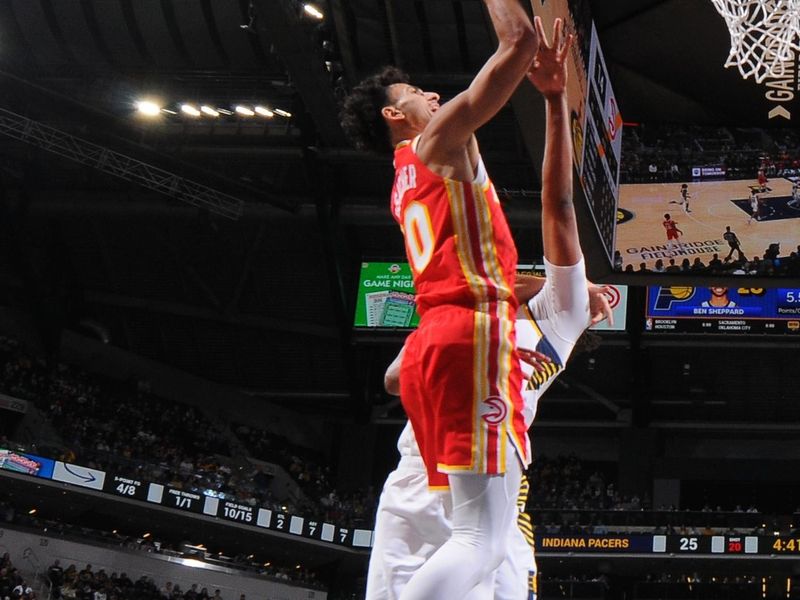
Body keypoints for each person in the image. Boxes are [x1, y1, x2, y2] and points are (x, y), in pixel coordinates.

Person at [364, 19, 612, 600]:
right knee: (483, 545)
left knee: (472, 551)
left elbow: (559, 208)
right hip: (464, 450)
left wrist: (554, 101)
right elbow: (556, 213)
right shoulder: (541, 313)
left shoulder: (549, 313)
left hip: (433, 452)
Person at [342, 5, 549, 598]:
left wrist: (529, 289)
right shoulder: (435, 142)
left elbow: (474, 269)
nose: (432, 93)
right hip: (467, 334)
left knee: (479, 535)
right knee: (479, 542)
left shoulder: (403, 181)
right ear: (393, 114)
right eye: (414, 90)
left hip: (436, 341)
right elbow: (518, 44)